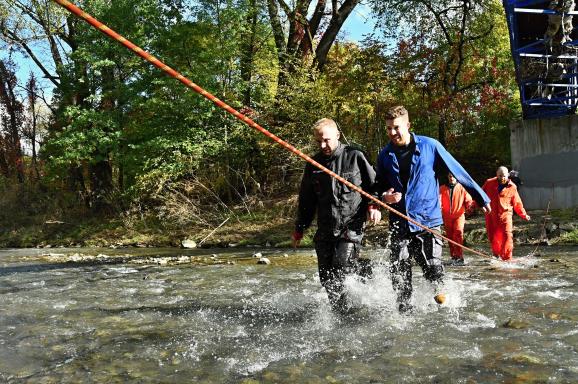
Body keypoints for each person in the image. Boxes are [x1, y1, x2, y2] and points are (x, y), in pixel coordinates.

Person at [373, 106, 490, 313]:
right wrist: (384, 197)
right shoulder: (385, 155)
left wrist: (480, 196)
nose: (392, 133)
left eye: (396, 128)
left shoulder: (430, 146)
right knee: (399, 272)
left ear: (408, 125)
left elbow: (456, 169)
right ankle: (404, 314)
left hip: (427, 220)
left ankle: (445, 308)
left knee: (433, 269)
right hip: (399, 220)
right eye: (389, 128)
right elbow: (378, 185)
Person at [292, 118, 380, 313]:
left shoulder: (355, 156)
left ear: (338, 136)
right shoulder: (313, 164)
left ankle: (361, 273)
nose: (323, 145)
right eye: (318, 142)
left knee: (341, 265)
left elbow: (374, 185)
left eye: (327, 140)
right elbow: (306, 200)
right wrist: (300, 228)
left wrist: (373, 206)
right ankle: (340, 311)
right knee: (326, 277)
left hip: (351, 224)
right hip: (325, 227)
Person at [482, 166, 530, 261]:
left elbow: (517, 203)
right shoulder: (489, 183)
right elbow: (480, 194)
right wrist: (478, 205)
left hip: (506, 214)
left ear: (508, 175)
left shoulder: (512, 187)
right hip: (491, 214)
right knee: (493, 237)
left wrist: (524, 214)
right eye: (500, 176)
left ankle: (507, 259)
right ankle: (496, 255)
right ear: (496, 175)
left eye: (504, 176)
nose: (502, 178)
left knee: (508, 236)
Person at [439, 173, 474, 266]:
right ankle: (453, 256)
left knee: (458, 233)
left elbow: (468, 199)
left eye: (453, 176)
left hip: (459, 215)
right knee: (450, 237)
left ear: (456, 177)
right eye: (450, 176)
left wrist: (470, 206)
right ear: (447, 177)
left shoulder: (462, 188)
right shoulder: (442, 188)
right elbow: (438, 200)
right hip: (446, 216)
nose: (451, 178)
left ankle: (459, 256)